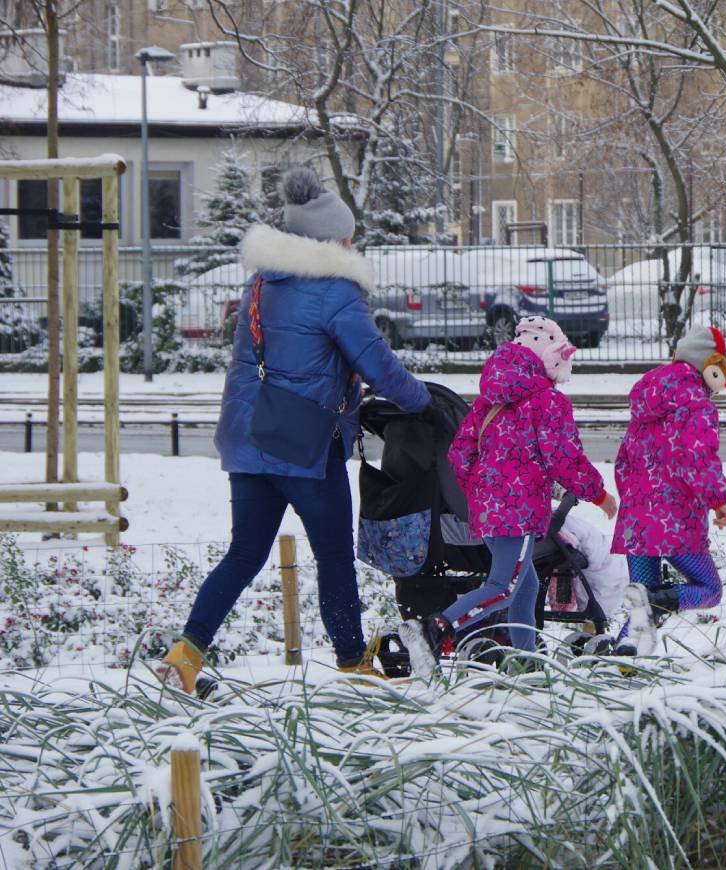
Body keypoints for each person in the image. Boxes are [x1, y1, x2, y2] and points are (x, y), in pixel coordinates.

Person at [159, 166, 437, 692]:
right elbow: (376, 365)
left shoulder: (261, 282)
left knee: (244, 553)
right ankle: (354, 664)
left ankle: (186, 654)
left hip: (249, 438)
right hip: (306, 447)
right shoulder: (336, 291)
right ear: (334, 239)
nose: (353, 241)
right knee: (333, 556)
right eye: (348, 233)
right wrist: (424, 403)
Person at [425, 316, 616, 656]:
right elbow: (564, 459)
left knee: (525, 586)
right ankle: (438, 628)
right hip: (519, 511)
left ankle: (526, 656)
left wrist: (483, 492)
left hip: (488, 511)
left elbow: (459, 453)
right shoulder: (549, 402)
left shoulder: (489, 400)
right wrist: (598, 494)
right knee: (504, 587)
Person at [612, 325, 726, 654]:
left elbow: (623, 461)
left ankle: (620, 658)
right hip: (674, 521)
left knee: (642, 606)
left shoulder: (645, 404)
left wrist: (634, 502)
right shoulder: (697, 405)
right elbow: (697, 458)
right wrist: (718, 500)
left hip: (637, 519)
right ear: (708, 365)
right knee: (709, 590)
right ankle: (654, 602)